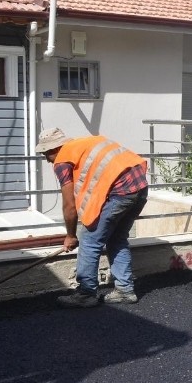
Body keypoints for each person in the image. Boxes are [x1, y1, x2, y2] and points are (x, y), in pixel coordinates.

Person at [35, 128, 149, 308]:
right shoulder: (86, 144)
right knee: (117, 239)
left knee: (89, 241)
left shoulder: (63, 159)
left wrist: (71, 235)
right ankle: (125, 291)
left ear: (54, 149)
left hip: (120, 192)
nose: (47, 160)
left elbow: (69, 205)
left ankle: (86, 294)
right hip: (140, 187)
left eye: (45, 154)